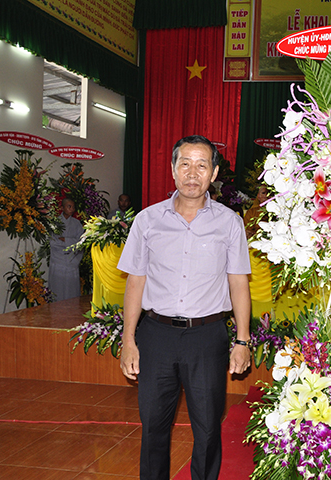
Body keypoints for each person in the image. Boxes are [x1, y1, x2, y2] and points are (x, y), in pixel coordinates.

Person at [117, 135, 252, 480]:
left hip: (206, 338)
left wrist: (242, 340)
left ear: (214, 173)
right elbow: (135, 282)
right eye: (185, 164)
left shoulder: (230, 223)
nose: (193, 173)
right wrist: (128, 339)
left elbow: (239, 283)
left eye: (202, 165)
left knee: (207, 428)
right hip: (156, 335)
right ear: (173, 169)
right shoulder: (147, 220)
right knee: (153, 426)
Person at [48, 198, 84, 301]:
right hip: (58, 262)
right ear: (62, 208)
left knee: (71, 294)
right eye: (69, 206)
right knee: (57, 292)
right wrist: (70, 243)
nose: (72, 209)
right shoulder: (55, 223)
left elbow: (81, 242)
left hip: (72, 261)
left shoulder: (77, 224)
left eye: (73, 207)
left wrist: (65, 240)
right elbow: (53, 242)